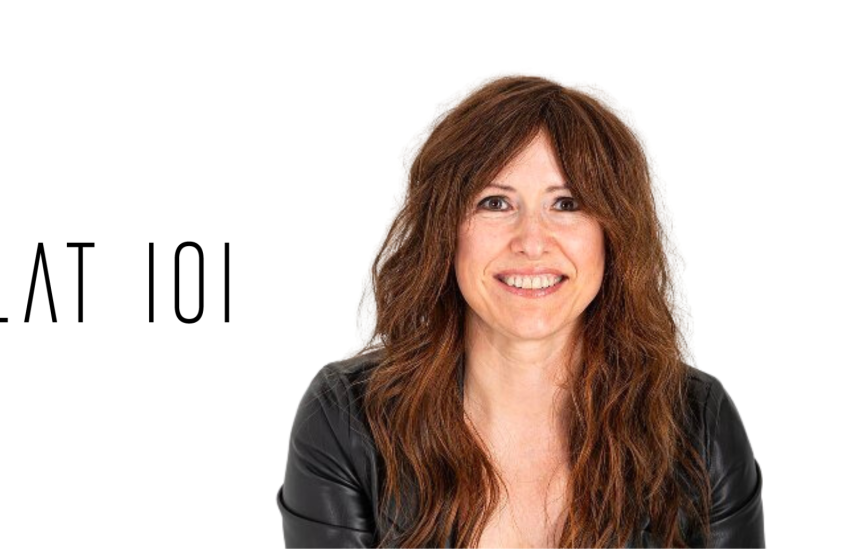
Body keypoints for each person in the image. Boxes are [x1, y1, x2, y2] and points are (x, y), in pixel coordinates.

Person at [275, 74, 764, 548]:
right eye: (495, 203)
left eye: (567, 204)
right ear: (445, 231)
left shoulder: (700, 424)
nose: (532, 242)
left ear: (612, 236)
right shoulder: (346, 420)